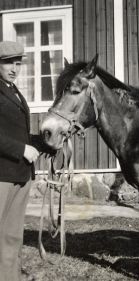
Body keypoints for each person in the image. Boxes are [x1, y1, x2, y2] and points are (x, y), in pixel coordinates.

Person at [0, 41, 53, 281]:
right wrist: (22, 149)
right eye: (7, 62)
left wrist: (45, 142)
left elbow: (17, 133)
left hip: (19, 174)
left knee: (12, 234)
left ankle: (10, 276)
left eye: (18, 63)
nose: (14, 68)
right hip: (2, 175)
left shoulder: (13, 91)